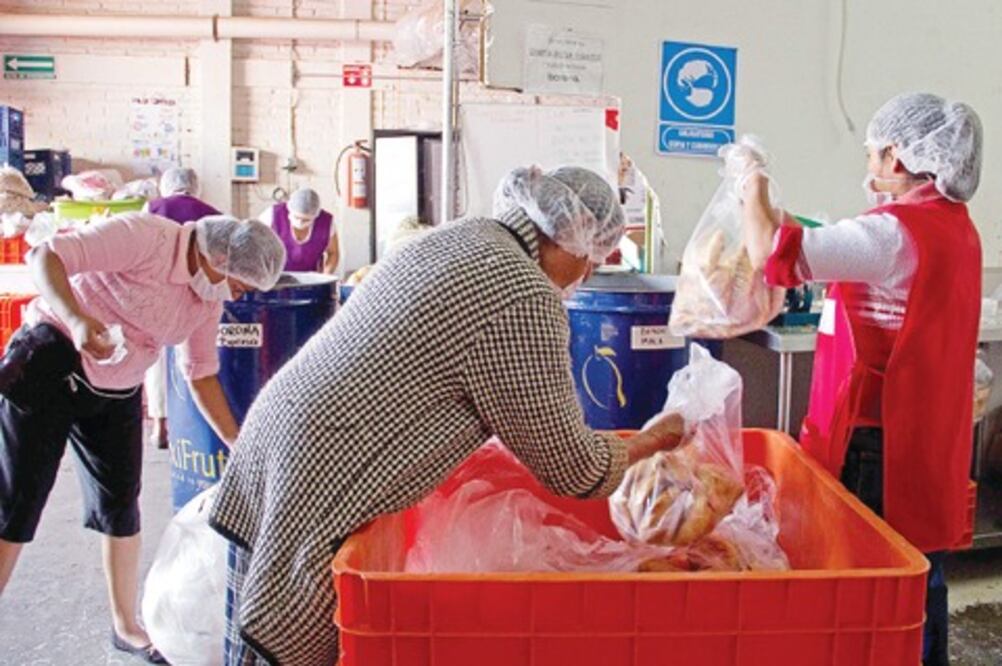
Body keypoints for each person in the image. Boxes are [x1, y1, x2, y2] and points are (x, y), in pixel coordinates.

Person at [211, 165, 687, 665]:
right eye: (591, 258)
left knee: (249, 614)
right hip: (326, 470)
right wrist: (656, 438)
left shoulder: (464, 235)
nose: (586, 274)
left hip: (281, 434)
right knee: (282, 623)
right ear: (570, 236)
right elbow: (575, 467)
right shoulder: (524, 293)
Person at [739, 93, 982, 666]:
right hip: (927, 434)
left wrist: (750, 183)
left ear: (897, 158)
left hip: (879, 441)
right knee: (922, 575)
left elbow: (773, 257)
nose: (869, 166)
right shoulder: (954, 228)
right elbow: (819, 243)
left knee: (877, 580)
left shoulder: (894, 234)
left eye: (874, 153)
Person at [0, 212, 285, 663]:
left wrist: (238, 442)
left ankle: (125, 626)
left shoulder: (206, 300)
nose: (237, 294)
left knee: (121, 508)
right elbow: (45, 256)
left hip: (117, 385)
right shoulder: (147, 238)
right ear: (220, 255)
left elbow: (201, 373)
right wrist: (76, 319)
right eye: (239, 284)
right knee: (16, 505)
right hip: (52, 359)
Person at [144, 166, 222, 449]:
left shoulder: (153, 207)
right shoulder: (213, 213)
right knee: (195, 361)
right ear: (195, 186)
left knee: (155, 359)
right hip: (197, 296)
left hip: (156, 293)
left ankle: (160, 425)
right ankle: (194, 419)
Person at [258, 187, 339, 274]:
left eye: (306, 220)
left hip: (312, 279)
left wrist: (326, 276)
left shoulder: (326, 222)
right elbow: (255, 247)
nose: (300, 222)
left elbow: (333, 253)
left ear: (315, 216)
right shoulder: (272, 216)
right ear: (289, 209)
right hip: (275, 277)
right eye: (296, 217)